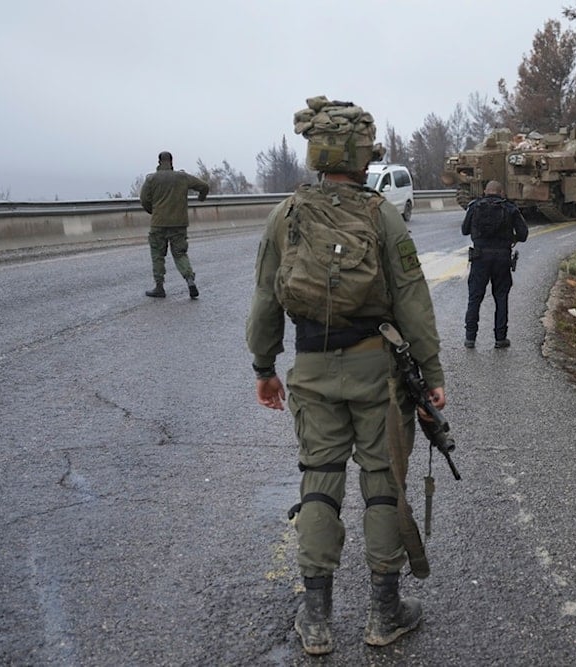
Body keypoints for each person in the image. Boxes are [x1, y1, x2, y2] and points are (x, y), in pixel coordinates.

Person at [246, 96, 446, 656]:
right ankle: (384, 614)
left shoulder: (284, 215)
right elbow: (412, 298)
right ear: (362, 157)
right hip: (376, 370)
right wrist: (431, 373)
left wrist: (265, 368)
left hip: (310, 370)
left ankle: (316, 623)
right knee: (382, 482)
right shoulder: (380, 213)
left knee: (319, 481)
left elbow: (265, 301)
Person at [461, 180, 529, 349]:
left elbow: (464, 230)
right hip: (502, 258)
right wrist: (512, 238)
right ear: (502, 193)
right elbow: (523, 233)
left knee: (475, 297)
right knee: (501, 297)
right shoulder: (510, 208)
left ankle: (470, 338)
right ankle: (500, 338)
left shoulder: (474, 206)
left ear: (485, 191)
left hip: (479, 257)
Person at [139, 151, 210, 299]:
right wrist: (201, 198)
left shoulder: (151, 179)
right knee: (180, 254)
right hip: (179, 223)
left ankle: (159, 287)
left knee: (158, 254)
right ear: (172, 162)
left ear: (159, 162)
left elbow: (144, 200)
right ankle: (189, 279)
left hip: (158, 224)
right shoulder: (182, 177)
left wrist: (154, 212)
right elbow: (204, 186)